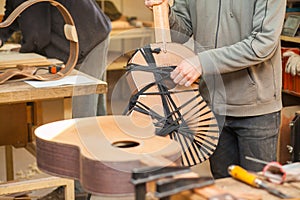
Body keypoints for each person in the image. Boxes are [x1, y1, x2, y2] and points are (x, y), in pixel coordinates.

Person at [145, 0, 286, 178]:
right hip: (213, 105)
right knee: (222, 185)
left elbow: (263, 43)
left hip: (255, 108)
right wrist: (166, 12)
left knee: (259, 188)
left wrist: (203, 62)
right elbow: (181, 33)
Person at [0, 0, 111, 199]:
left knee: (81, 118)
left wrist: (25, 53)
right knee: (94, 113)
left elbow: (38, 35)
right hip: (88, 31)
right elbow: (13, 12)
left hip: (87, 37)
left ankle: (79, 190)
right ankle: (100, 176)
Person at [0, 0, 111, 117]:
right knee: (84, 103)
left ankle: (89, 132)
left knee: (82, 104)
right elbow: (14, 13)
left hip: (88, 35)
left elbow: (38, 26)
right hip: (61, 39)